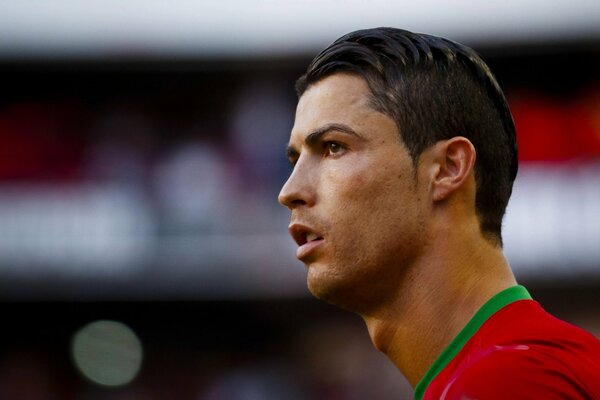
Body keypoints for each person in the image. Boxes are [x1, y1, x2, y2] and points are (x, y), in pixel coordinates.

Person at [278, 27, 600, 399]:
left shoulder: (507, 380)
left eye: (334, 147)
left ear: (448, 168)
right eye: (295, 158)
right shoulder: (520, 365)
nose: (289, 192)